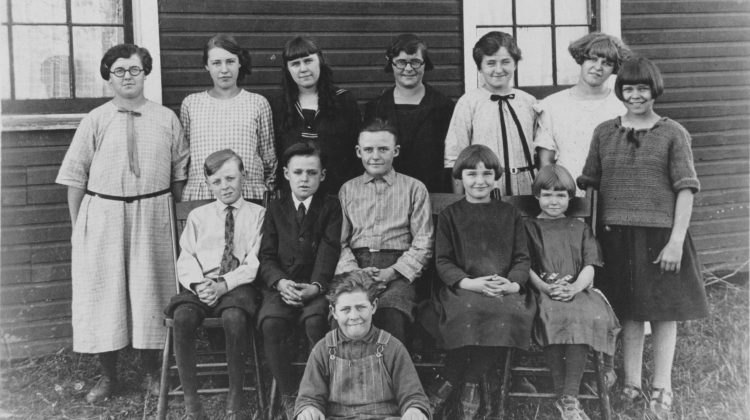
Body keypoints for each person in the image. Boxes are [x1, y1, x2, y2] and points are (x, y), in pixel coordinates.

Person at [56, 43, 189, 403]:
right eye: (120, 71)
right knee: (105, 295)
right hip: (104, 217)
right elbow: (74, 178)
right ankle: (108, 375)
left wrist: (173, 221)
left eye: (134, 70)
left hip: (153, 215)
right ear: (109, 77)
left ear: (146, 73)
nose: (128, 77)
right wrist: (77, 229)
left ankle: (151, 373)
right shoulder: (95, 120)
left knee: (151, 294)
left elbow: (179, 175)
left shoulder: (166, 119)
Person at [578, 57, 709, 420]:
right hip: (615, 235)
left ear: (655, 91)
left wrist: (675, 241)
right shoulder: (604, 132)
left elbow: (686, 190)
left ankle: (661, 387)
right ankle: (631, 384)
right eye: (629, 88)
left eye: (643, 88)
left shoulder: (672, 133)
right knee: (629, 312)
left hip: (660, 236)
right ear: (621, 91)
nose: (636, 95)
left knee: (664, 313)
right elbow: (590, 184)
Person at [427, 144, 536, 419]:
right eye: (471, 174)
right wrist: (469, 283)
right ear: (459, 177)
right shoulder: (451, 215)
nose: (479, 181)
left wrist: (512, 284)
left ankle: (468, 380)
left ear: (496, 176)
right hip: (463, 288)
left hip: (503, 289)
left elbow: (522, 258)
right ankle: (456, 378)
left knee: (505, 312)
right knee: (467, 311)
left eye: (487, 174)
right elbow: (443, 261)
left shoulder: (510, 214)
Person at [164, 149, 265, 419]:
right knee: (182, 317)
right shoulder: (199, 216)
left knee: (235, 318)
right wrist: (199, 285)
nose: (225, 186)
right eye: (217, 182)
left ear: (243, 175)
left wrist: (225, 283)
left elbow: (255, 262)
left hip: (238, 284)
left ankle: (235, 398)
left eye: (231, 178)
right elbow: (186, 256)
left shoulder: (258, 214)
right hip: (202, 282)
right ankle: (192, 402)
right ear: (208, 184)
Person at [525, 164, 620, 420]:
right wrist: (546, 288)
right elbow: (525, 267)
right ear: (537, 196)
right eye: (547, 194)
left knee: (583, 315)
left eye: (561, 195)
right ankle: (562, 394)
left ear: (570, 198)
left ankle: (570, 396)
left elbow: (590, 266)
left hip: (577, 289)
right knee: (553, 316)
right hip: (543, 290)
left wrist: (575, 287)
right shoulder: (529, 228)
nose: (553, 201)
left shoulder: (579, 227)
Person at [258, 142, 342, 419]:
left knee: (317, 322)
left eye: (311, 172)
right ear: (286, 173)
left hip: (315, 288)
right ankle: (288, 393)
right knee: (271, 323)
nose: (304, 179)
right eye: (298, 172)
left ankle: (318, 392)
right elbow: (266, 255)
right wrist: (280, 282)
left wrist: (317, 286)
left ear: (323, 175)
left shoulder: (330, 206)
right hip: (281, 287)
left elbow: (330, 249)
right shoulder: (275, 208)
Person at [336, 118, 433, 345]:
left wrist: (392, 272)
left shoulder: (414, 188)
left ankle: (392, 377)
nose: (375, 156)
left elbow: (423, 242)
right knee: (345, 311)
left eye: (383, 149)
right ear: (359, 152)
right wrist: (355, 272)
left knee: (390, 310)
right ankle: (348, 376)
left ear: (395, 151)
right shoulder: (348, 189)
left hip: (397, 269)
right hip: (356, 267)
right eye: (368, 149)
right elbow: (340, 242)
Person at [294, 271, 431, 420]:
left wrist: (414, 410)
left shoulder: (393, 348)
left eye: (360, 307)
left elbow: (413, 396)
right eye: (346, 309)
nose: (354, 316)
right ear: (334, 312)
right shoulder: (323, 349)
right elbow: (309, 398)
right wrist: (309, 409)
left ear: (373, 306)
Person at [181, 34, 276, 203]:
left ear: (240, 62)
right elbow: (185, 158)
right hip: (203, 197)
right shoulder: (191, 103)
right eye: (216, 63)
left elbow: (269, 159)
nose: (224, 70)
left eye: (230, 61)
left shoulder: (257, 103)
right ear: (206, 66)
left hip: (249, 196)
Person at [444, 31, 537, 197]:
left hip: (526, 189)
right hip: (485, 189)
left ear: (515, 64)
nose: (498, 69)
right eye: (491, 63)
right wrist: (460, 203)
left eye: (506, 62)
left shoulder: (529, 102)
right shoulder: (469, 103)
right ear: (480, 67)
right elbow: (455, 158)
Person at [534, 32, 631, 189]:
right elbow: (546, 162)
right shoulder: (553, 105)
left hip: (613, 194)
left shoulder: (622, 105)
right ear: (581, 59)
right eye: (592, 59)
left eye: (606, 63)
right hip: (566, 197)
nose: (598, 67)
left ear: (614, 68)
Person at [364, 33, 455, 192]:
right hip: (387, 195)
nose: (408, 69)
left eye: (415, 62)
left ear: (425, 64)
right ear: (391, 65)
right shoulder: (376, 107)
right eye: (401, 62)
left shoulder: (444, 106)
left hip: (432, 195)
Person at [271, 36, 361, 194]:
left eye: (308, 61)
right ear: (287, 69)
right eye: (295, 64)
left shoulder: (344, 100)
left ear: (320, 61)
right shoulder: (278, 106)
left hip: (337, 196)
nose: (303, 69)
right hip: (293, 200)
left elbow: (355, 153)